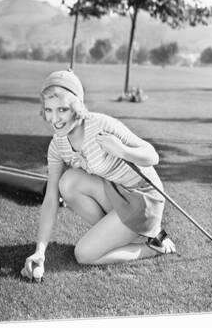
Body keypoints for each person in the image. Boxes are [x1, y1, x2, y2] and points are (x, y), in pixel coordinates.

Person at [21, 69, 176, 281]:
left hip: (142, 198)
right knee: (67, 182)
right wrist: (40, 250)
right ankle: (116, 233)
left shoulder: (101, 125)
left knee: (83, 254)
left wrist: (122, 150)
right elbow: (50, 199)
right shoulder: (57, 146)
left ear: (76, 107)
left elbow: (152, 156)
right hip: (115, 193)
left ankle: (153, 247)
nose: (54, 119)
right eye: (49, 110)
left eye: (62, 109)